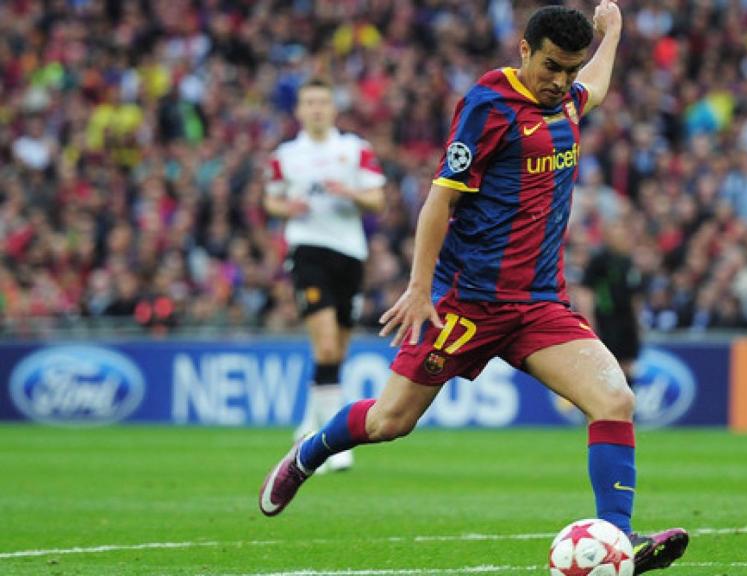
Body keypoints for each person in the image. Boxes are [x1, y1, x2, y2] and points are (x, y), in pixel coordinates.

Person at [259, 3, 688, 572]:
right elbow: (441, 199)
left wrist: (613, 35)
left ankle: (617, 538)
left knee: (614, 399)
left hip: (538, 304)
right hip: (467, 303)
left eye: (569, 70)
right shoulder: (490, 105)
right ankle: (309, 452)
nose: (560, 82)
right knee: (390, 421)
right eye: (551, 67)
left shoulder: (567, 101)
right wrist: (419, 287)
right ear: (525, 51)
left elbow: (595, 87)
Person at [262, 77, 386, 472]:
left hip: (350, 254)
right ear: (299, 110)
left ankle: (310, 422)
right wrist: (287, 209)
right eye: (309, 102)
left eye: (322, 102)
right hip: (308, 251)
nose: (316, 109)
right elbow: (271, 199)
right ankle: (334, 446)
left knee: (336, 352)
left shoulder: (354, 150)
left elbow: (378, 199)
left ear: (333, 108)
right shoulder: (286, 155)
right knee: (328, 347)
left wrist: (349, 193)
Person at [579, 217, 644, 383]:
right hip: (607, 320)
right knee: (608, 366)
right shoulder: (599, 260)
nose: (622, 234)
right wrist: (589, 322)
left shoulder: (629, 262)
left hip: (627, 322)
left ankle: (628, 405)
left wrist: (638, 324)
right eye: (617, 229)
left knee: (628, 364)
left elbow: (635, 296)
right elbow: (586, 291)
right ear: (608, 235)